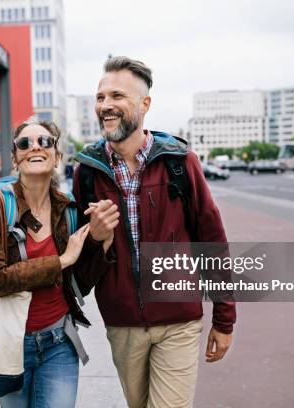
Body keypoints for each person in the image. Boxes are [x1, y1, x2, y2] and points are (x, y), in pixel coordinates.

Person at [72, 56, 237, 408]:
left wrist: (224, 319)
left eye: (117, 95)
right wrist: (98, 240)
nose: (105, 105)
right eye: (100, 97)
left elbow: (213, 241)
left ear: (145, 104)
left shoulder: (179, 161)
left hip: (178, 320)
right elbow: (79, 271)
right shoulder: (87, 172)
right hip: (122, 325)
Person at [0, 121, 116, 407]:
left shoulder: (69, 206)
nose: (35, 146)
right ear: (15, 157)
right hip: (11, 343)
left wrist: (102, 241)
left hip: (59, 342)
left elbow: (79, 286)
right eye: (24, 143)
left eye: (45, 141)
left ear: (57, 155)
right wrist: (61, 260)